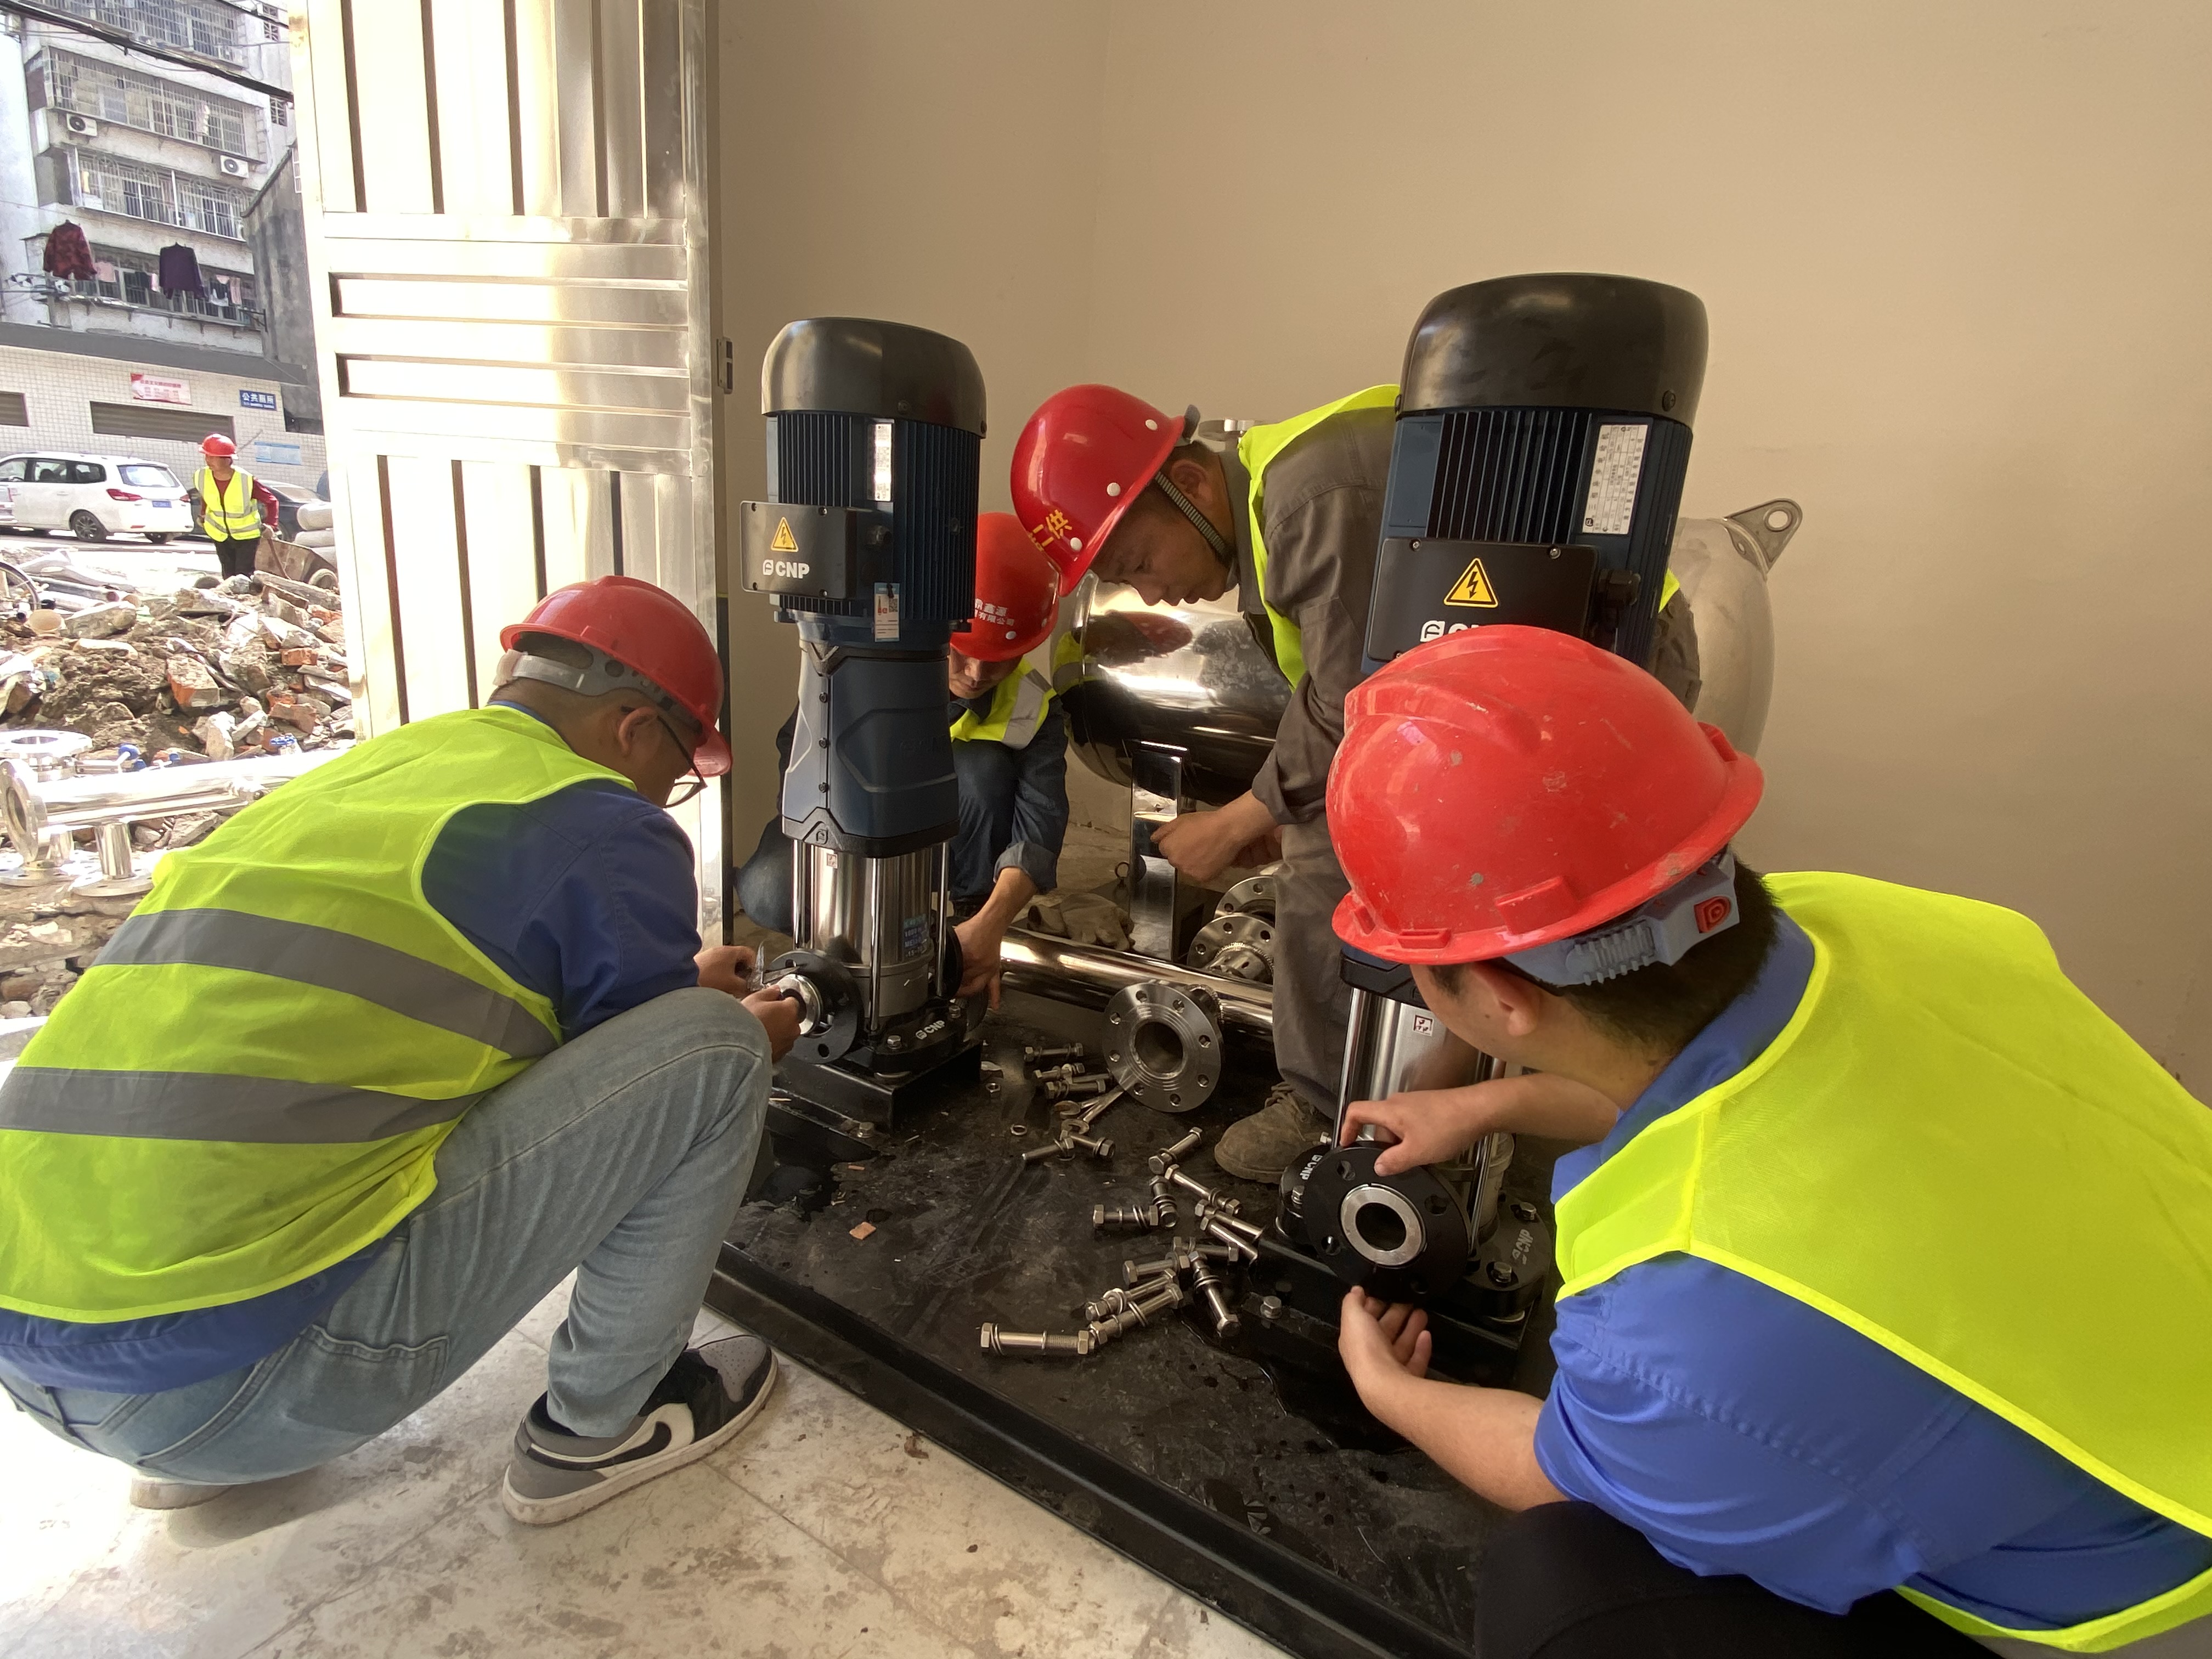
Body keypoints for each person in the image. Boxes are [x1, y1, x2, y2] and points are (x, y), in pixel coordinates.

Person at [1322, 624, 2212, 1658]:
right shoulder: (1865, 923)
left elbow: (1564, 1467)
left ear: (1499, 993)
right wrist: (1488, 1108)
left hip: (2152, 1586)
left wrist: (1393, 1391)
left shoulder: (1682, 1330)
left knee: (1558, 1579)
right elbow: (1720, 1078)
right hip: (2157, 1344)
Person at [0, 574, 805, 1527]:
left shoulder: (380, 768)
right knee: (717, 1051)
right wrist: (742, 1030)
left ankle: (196, 1441)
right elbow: (648, 1081)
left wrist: (675, 982)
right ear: (633, 727)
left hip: (38, 1356)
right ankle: (606, 1425)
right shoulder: (604, 818)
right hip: (223, 1385)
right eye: (679, 764)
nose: (667, 792)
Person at [1012, 383, 1702, 1181]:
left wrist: (1244, 816)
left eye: (1140, 563)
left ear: (1193, 484)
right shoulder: (1281, 494)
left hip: (1611, 645)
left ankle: (1335, 1107)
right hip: (1539, 658)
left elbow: (1353, 703)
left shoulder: (1311, 502)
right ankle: (1455, 1098)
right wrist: (1279, 803)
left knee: (1358, 860)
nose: (1155, 593)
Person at [737, 512, 1070, 1004]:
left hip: (954, 845)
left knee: (982, 771)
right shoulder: (863, 662)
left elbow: (1040, 825)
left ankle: (964, 924)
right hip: (855, 826)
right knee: (767, 890)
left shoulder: (1033, 704)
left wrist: (990, 925)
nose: (977, 673)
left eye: (1000, 659)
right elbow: (800, 760)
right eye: (963, 651)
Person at [189, 433, 278, 581]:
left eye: (212, 457)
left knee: (243, 575)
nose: (208, 460)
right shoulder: (202, 476)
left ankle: (245, 594)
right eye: (207, 456)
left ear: (227, 459)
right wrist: (203, 514)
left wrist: (271, 525)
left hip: (247, 536)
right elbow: (206, 495)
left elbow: (272, 501)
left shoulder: (246, 480)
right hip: (219, 533)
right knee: (228, 574)